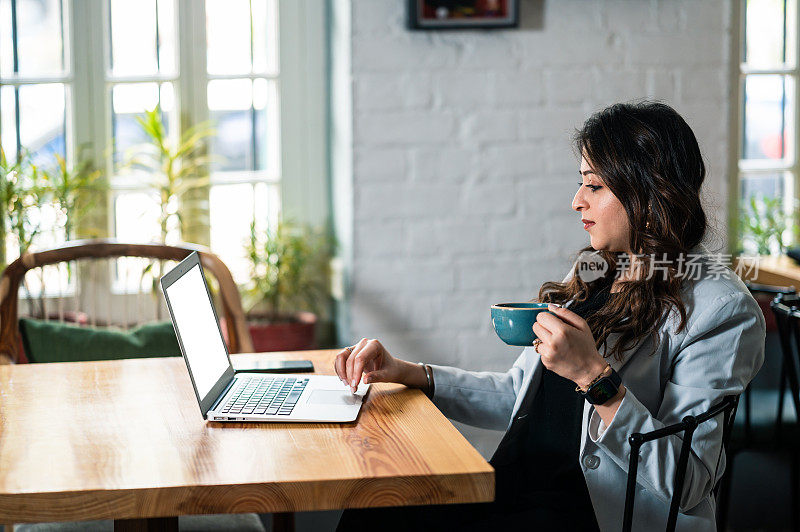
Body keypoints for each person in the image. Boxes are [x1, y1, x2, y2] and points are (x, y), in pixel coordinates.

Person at [334, 101, 766, 531]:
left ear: (649, 193)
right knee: (371, 507)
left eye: (594, 186)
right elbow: (517, 395)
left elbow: (686, 482)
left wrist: (595, 378)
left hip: (587, 514)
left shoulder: (722, 310)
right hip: (518, 490)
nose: (577, 201)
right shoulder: (597, 270)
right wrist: (408, 372)